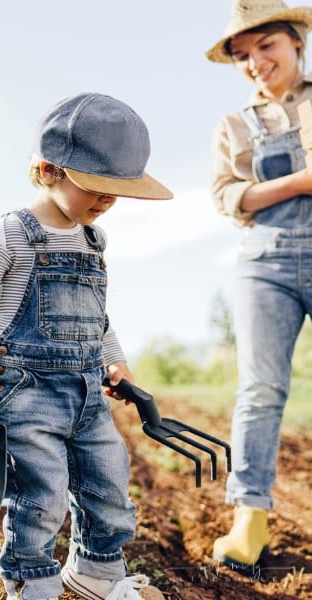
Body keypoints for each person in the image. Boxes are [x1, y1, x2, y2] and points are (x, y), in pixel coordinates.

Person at [0, 93, 172, 600]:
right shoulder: (12, 234)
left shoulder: (95, 241)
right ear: (49, 170)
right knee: (39, 492)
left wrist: (117, 361)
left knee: (109, 483)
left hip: (89, 391)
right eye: (97, 189)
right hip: (26, 391)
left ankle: (95, 571)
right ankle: (31, 580)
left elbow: (98, 314)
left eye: (117, 192)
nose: (107, 202)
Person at [206, 0, 312, 573]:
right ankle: (250, 517)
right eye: (242, 56)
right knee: (262, 388)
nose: (254, 63)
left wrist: (264, 189)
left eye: (266, 46)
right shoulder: (234, 125)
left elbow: (248, 193)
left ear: (297, 41)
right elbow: (227, 198)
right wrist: (301, 181)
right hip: (263, 263)